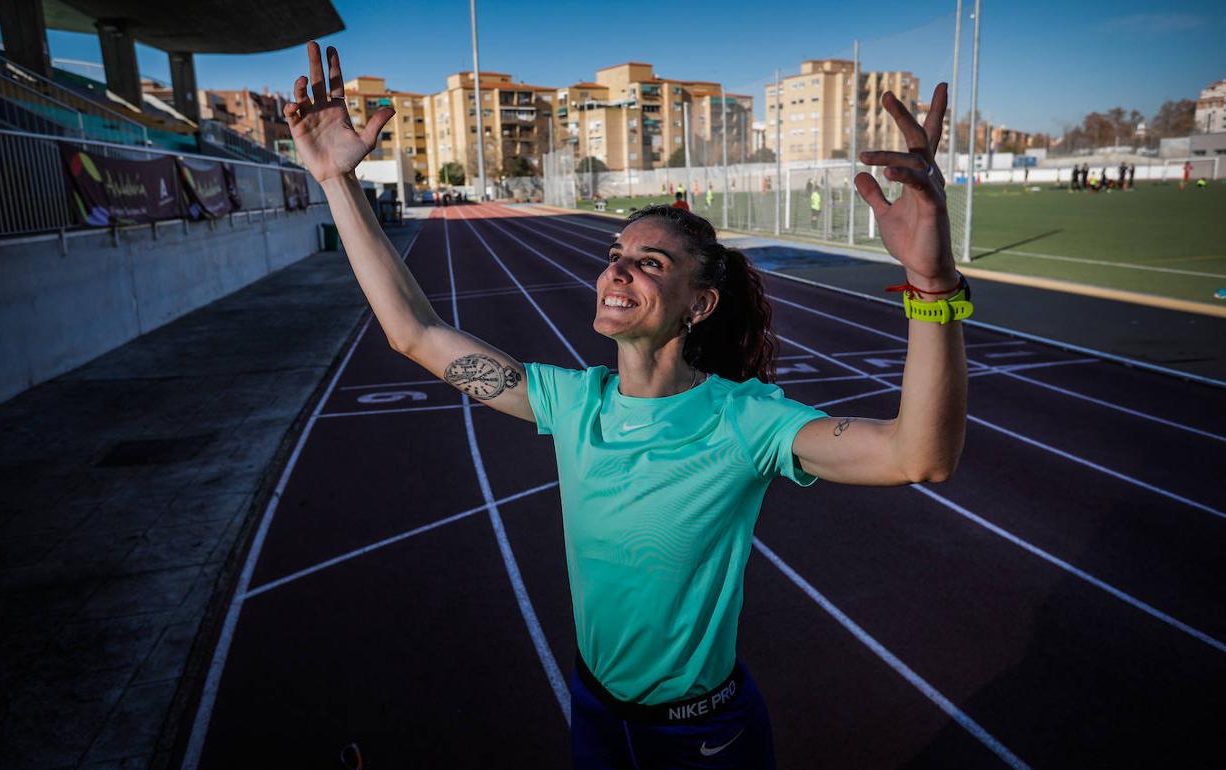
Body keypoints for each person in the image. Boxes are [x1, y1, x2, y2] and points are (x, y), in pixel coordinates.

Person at [284, 46, 969, 768]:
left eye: (650, 263)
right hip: (596, 712)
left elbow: (918, 456)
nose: (616, 270)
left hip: (702, 736)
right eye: (616, 253)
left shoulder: (747, 421)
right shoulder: (573, 402)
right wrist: (338, 182)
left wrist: (931, 284)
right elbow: (413, 333)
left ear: (699, 304)